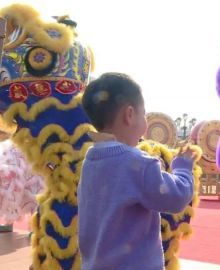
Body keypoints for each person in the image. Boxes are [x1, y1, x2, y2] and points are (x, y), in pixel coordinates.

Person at [78, 72, 195, 270]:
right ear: (129, 114)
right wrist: (182, 168)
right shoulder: (138, 164)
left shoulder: (91, 161)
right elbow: (177, 198)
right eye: (144, 114)